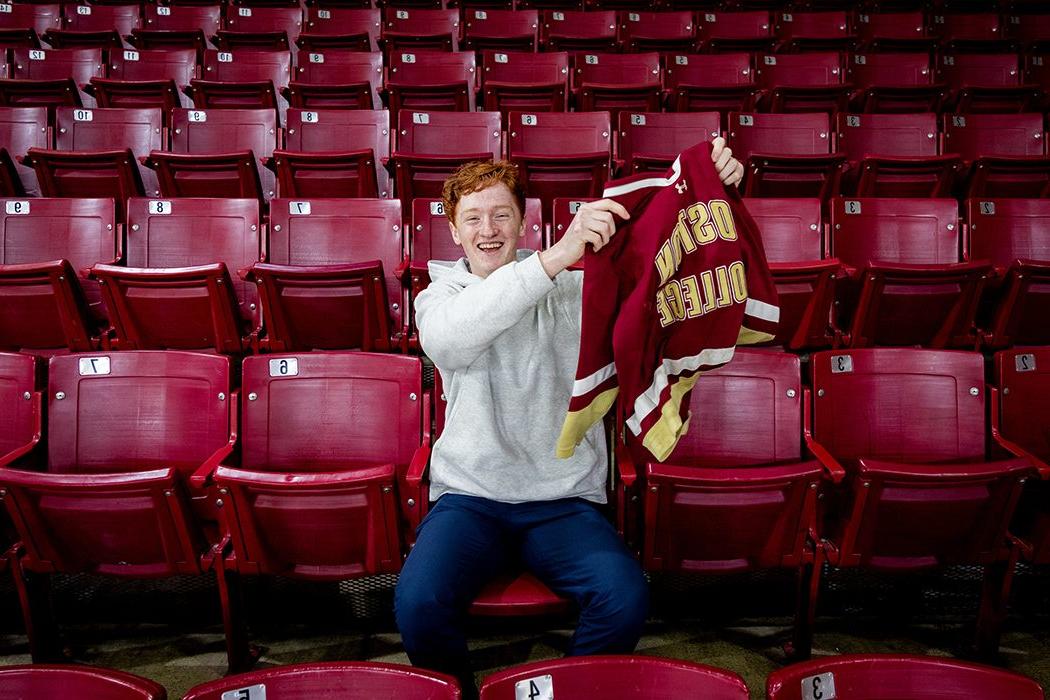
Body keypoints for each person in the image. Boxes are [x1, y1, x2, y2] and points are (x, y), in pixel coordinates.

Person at [394, 138, 745, 695]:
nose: (489, 229)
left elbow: (660, 269)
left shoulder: (579, 290)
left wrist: (710, 191)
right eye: (473, 219)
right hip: (470, 499)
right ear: (454, 232)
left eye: (501, 214)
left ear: (522, 222)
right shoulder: (440, 298)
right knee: (416, 602)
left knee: (625, 598)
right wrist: (555, 256)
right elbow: (455, 341)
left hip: (561, 501)